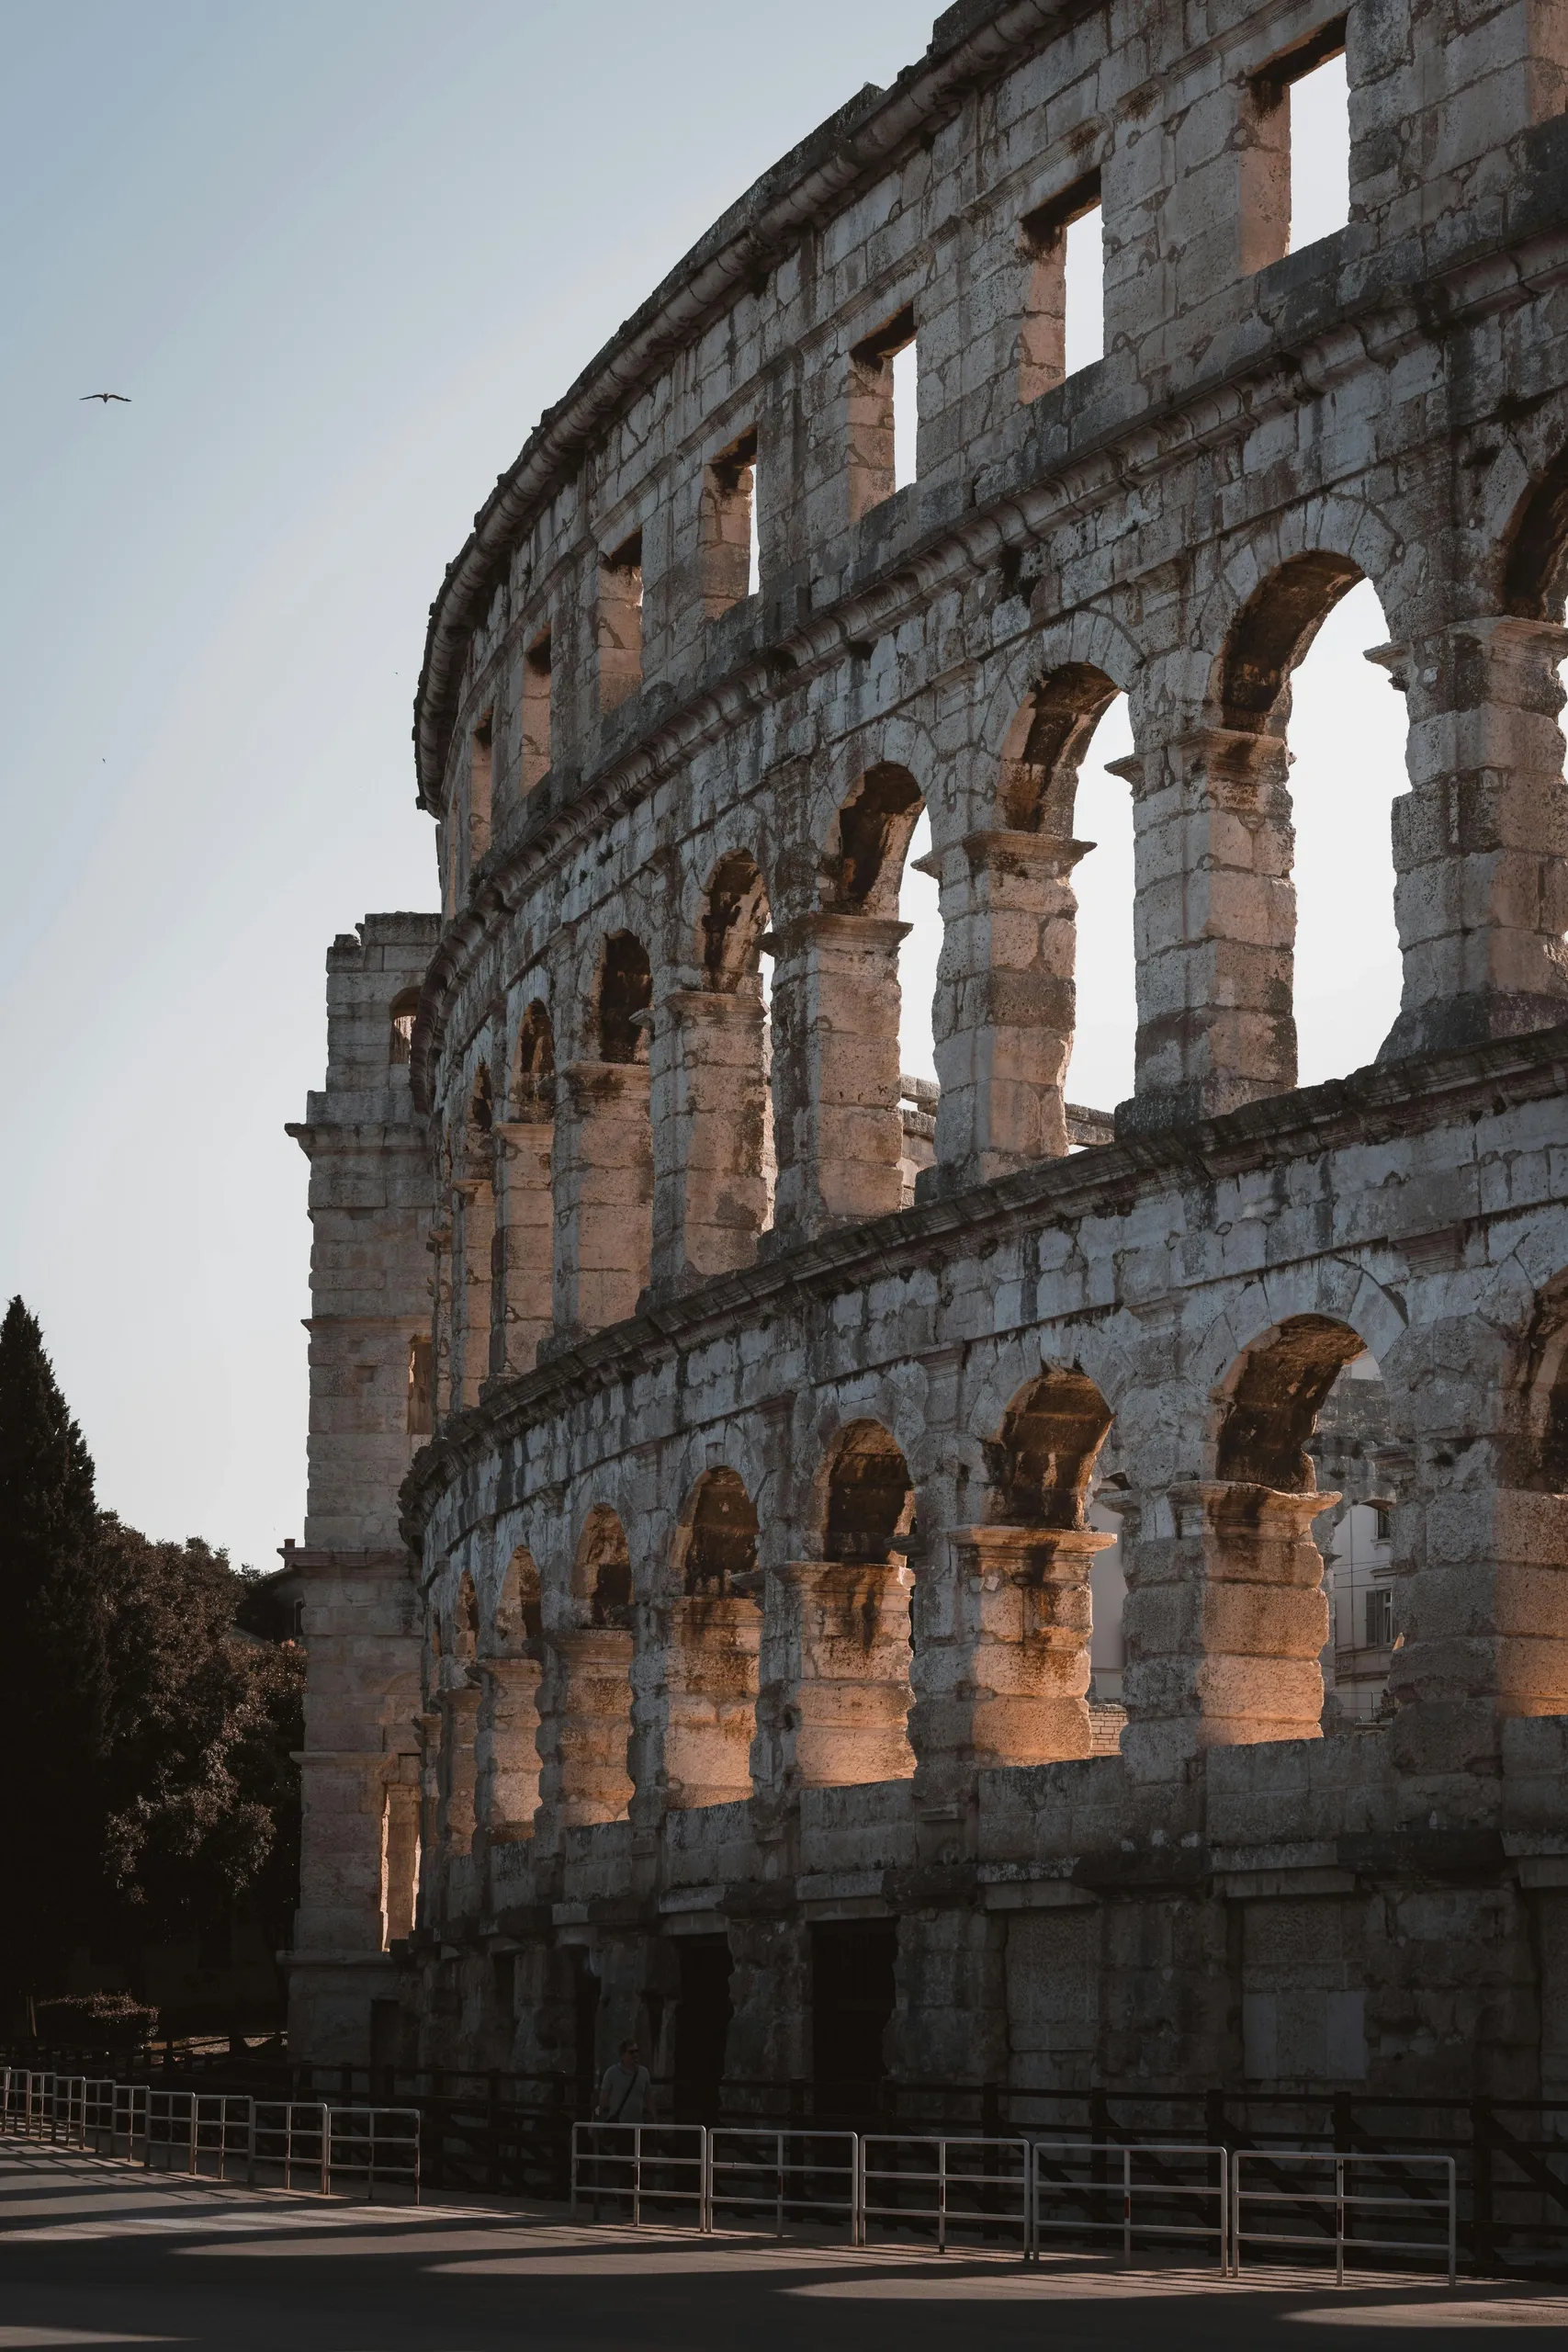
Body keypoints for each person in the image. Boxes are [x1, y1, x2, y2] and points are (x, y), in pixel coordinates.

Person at [596, 2039, 655, 2124]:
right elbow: (603, 2100)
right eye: (631, 2052)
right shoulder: (612, 2073)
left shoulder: (644, 2073)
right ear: (623, 2055)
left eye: (636, 2051)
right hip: (618, 2125)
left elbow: (649, 2099)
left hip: (637, 2126)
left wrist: (655, 2122)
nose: (635, 2055)